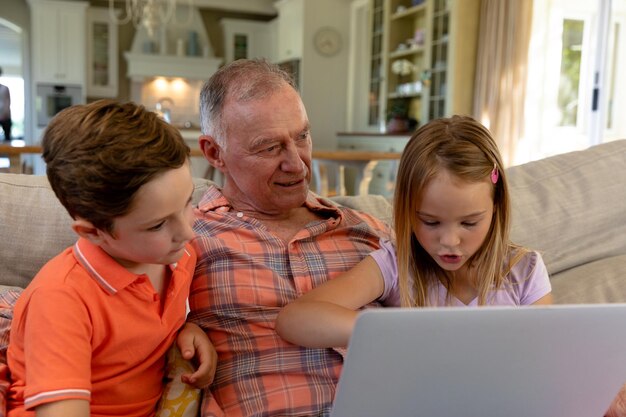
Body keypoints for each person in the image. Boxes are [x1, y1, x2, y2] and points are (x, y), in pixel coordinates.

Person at [190, 58, 392, 416]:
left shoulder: (370, 231)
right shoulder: (185, 237)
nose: (296, 164)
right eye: (269, 148)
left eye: (302, 137)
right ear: (214, 153)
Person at [6, 100, 216, 416]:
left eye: (187, 203)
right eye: (158, 224)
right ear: (92, 232)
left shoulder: (178, 254)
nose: (188, 233)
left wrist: (188, 327)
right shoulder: (61, 300)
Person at [275, 115, 553, 349]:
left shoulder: (525, 272)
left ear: (497, 207)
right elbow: (296, 319)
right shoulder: (396, 265)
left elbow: (544, 358)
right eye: (430, 222)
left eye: (469, 223)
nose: (449, 241)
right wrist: (403, 333)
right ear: (407, 211)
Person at [0, 67, 11, 142]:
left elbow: (8, 102)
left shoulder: (5, 88)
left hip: (5, 116)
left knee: (7, 139)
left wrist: (4, 114)